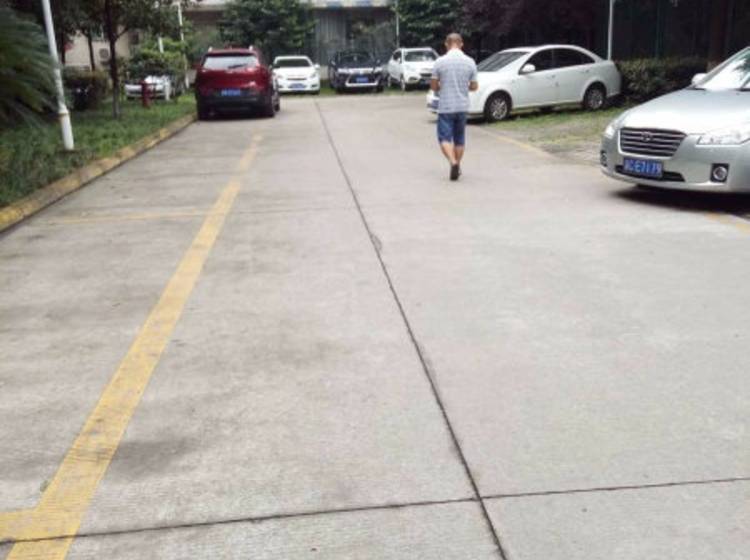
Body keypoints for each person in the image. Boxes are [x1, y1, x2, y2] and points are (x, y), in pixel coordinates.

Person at [431, 33, 479, 181]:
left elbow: (434, 86)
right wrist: (464, 87)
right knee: (459, 139)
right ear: (461, 44)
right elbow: (474, 86)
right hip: (462, 106)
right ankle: (457, 164)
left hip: (446, 106)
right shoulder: (470, 62)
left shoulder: (440, 62)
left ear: (446, 44)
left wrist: (442, 87)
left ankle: (453, 162)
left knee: (444, 138)